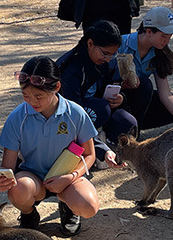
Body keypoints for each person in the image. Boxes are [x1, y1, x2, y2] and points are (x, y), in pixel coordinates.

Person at [0, 56, 99, 236]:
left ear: (56, 87)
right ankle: (29, 214)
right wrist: (2, 179)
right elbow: (8, 166)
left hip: (67, 177)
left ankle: (69, 208)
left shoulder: (75, 113)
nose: (32, 102)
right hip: (33, 178)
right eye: (26, 95)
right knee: (18, 189)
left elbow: (90, 155)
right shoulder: (17, 118)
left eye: (39, 96)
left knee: (89, 206)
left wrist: (70, 177)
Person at [55, 20, 135, 166]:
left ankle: (99, 141)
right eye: (105, 53)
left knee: (127, 123)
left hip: (94, 110)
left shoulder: (100, 62)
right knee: (101, 108)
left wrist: (120, 98)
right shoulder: (71, 70)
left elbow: (107, 86)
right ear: (90, 43)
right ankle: (85, 149)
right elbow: (73, 115)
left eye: (112, 54)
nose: (108, 59)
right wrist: (101, 150)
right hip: (67, 121)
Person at [116, 8, 173, 128]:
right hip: (115, 97)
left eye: (170, 36)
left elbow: (165, 94)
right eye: (164, 36)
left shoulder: (160, 53)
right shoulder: (121, 44)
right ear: (149, 31)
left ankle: (133, 126)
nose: (167, 41)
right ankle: (126, 130)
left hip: (137, 100)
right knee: (145, 86)